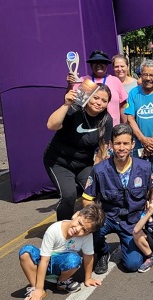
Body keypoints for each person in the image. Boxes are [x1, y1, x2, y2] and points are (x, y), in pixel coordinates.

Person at [83, 124, 153, 274]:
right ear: (111, 144)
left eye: (126, 143)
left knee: (132, 265)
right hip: (108, 217)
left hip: (132, 221)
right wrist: (93, 218)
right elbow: (87, 198)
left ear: (132, 145)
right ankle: (103, 252)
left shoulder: (145, 168)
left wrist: (147, 218)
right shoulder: (99, 170)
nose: (121, 148)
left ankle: (126, 245)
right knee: (90, 229)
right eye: (117, 143)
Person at [44, 85, 113, 220]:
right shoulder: (74, 109)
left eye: (104, 101)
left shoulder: (106, 120)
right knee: (69, 195)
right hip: (59, 161)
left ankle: (91, 228)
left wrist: (96, 173)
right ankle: (64, 231)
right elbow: (51, 125)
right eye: (96, 98)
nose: (99, 103)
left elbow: (102, 149)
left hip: (84, 164)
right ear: (88, 97)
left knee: (97, 192)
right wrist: (66, 104)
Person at [19, 203, 106, 300]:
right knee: (26, 252)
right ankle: (36, 288)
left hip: (61, 265)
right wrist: (39, 288)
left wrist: (88, 278)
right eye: (79, 223)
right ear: (76, 214)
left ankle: (62, 281)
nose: (78, 229)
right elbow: (44, 260)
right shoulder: (54, 229)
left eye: (84, 230)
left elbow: (88, 255)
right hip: (45, 263)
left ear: (89, 233)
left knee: (74, 259)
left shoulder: (86, 237)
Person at [125, 59, 153, 184]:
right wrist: (144, 140)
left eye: (152, 75)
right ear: (140, 75)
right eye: (145, 74)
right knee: (139, 182)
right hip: (139, 145)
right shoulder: (134, 93)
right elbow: (130, 118)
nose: (148, 78)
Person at [67, 50, 128, 126]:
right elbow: (72, 103)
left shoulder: (115, 81)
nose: (99, 65)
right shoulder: (84, 80)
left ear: (106, 65)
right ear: (91, 65)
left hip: (112, 129)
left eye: (102, 62)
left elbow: (123, 106)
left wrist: (126, 126)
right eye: (95, 62)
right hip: (89, 128)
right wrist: (70, 85)